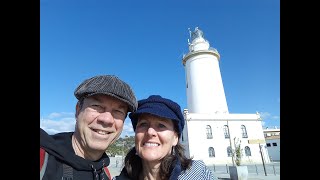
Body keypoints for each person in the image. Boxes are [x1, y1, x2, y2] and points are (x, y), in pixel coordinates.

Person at [40, 75, 138, 180]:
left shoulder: (105, 173)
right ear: (78, 110)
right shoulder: (43, 161)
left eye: (118, 111)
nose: (107, 119)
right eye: (97, 106)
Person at [114, 95, 218, 180]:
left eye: (161, 125)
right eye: (143, 124)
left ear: (175, 138)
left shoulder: (199, 174)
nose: (150, 132)